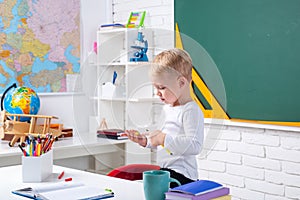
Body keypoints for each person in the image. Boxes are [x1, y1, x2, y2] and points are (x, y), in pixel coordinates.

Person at [125, 48, 204, 188]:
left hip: (183, 175)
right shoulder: (167, 109)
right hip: (166, 171)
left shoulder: (190, 110)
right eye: (155, 88)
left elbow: (195, 146)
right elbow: (165, 144)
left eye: (161, 87)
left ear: (181, 83)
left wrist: (162, 138)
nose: (157, 93)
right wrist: (146, 141)